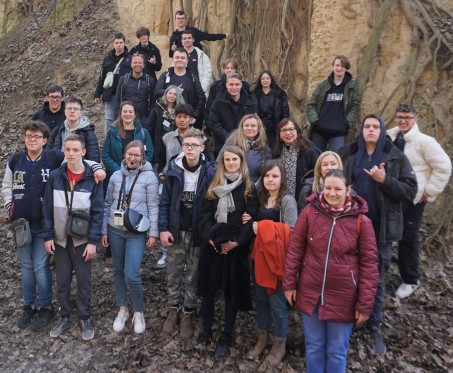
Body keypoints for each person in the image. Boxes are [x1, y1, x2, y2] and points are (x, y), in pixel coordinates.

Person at [284, 169, 378, 372]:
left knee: (337, 351)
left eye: (338, 188)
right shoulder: (309, 212)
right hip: (310, 291)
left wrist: (365, 304)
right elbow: (295, 249)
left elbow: (370, 265)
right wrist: (289, 283)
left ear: (348, 190)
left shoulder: (362, 222)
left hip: (344, 296)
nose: (332, 193)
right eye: (328, 188)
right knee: (314, 347)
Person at [341, 114, 417, 355]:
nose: (371, 130)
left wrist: (385, 180)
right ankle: (349, 321)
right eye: (367, 126)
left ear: (383, 130)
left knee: (376, 278)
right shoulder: (349, 153)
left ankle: (374, 326)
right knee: (348, 274)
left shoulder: (395, 156)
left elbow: (409, 191)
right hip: (350, 226)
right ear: (361, 130)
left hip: (380, 229)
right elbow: (333, 181)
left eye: (376, 127)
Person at [196, 145, 258, 358]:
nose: (231, 163)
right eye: (227, 160)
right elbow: (203, 217)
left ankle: (227, 333)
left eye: (235, 160)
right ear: (222, 163)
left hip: (235, 249)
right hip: (213, 247)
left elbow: (251, 220)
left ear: (241, 162)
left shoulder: (249, 188)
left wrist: (238, 242)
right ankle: (206, 329)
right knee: (209, 292)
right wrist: (210, 238)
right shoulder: (214, 186)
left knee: (231, 293)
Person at [387, 103, 452, 299]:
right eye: (400, 117)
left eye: (407, 117)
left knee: (408, 237)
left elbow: (444, 167)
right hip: (392, 194)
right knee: (388, 232)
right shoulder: (390, 137)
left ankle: (410, 279)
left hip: (413, 198)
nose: (403, 121)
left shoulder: (425, 142)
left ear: (415, 118)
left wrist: (427, 192)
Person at [43, 134, 104, 341]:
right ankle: (64, 314)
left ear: (84, 152)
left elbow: (98, 212)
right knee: (62, 280)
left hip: (82, 239)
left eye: (75, 150)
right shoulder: (55, 176)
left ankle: (85, 316)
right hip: (60, 239)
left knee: (84, 281)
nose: (71, 154)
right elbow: (47, 209)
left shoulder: (92, 178)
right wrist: (49, 236)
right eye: (68, 149)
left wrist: (93, 242)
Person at [159, 128, 215, 339]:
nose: (189, 149)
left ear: (202, 147)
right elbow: (164, 202)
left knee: (193, 275)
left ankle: (188, 312)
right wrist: (163, 229)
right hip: (176, 230)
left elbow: (212, 205)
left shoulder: (209, 173)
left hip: (197, 234)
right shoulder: (174, 170)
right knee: (173, 272)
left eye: (194, 145)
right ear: (182, 146)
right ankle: (173, 308)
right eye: (186, 145)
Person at [243, 160, 298, 369]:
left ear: (282, 178)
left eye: (275, 176)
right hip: (259, 258)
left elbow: (292, 231)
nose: (270, 180)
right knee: (261, 300)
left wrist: (262, 227)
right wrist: (249, 220)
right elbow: (252, 225)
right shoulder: (260, 198)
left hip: (278, 261)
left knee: (277, 304)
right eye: (267, 176)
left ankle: (279, 344)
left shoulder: (287, 201)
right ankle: (262, 337)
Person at [102, 140, 159, 334]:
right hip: (115, 228)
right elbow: (107, 202)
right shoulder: (116, 176)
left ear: (142, 157)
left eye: (137, 155)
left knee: (131, 273)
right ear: (124, 155)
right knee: (117, 270)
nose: (133, 158)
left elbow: (153, 206)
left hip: (136, 231)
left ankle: (139, 311)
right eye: (130, 154)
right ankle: (123, 309)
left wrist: (153, 232)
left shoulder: (149, 177)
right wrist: (103, 230)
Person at [307, 55, 361, 153]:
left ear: (346, 68)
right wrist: (315, 121)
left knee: (338, 159)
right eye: (337, 65)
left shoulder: (352, 86)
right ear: (333, 66)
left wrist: (347, 123)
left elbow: (354, 107)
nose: (339, 68)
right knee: (316, 160)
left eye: (342, 66)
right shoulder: (323, 85)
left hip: (338, 131)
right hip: (319, 130)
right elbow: (311, 105)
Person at [103, 101, 154, 188]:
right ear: (121, 114)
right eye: (125, 111)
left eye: (130, 112)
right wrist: (118, 170)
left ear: (135, 115)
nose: (128, 114)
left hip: (138, 177)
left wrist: (138, 168)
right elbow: (105, 154)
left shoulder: (143, 133)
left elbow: (149, 153)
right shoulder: (112, 132)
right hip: (116, 176)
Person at [207, 72, 258, 157]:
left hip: (246, 143)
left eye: (237, 84)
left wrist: (243, 138)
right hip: (223, 144)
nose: (234, 87)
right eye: (231, 84)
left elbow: (255, 122)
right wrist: (229, 138)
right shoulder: (218, 101)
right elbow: (213, 123)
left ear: (241, 85)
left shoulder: (251, 102)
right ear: (226, 85)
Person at [154, 48, 206, 129]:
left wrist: (195, 115)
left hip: (187, 119)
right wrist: (172, 92)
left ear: (187, 61)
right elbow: (156, 93)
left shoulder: (192, 77)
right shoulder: (165, 76)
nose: (180, 60)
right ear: (173, 59)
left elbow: (201, 97)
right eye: (177, 57)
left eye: (183, 58)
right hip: (168, 119)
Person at [216, 114, 272, 183]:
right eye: (246, 125)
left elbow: (267, 173)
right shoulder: (231, 143)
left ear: (259, 128)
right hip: (231, 185)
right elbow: (218, 165)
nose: (249, 128)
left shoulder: (265, 149)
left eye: (253, 126)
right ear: (242, 127)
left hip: (254, 188)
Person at [273, 118, 320, 200]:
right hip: (282, 199)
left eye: (291, 129)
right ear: (279, 135)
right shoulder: (277, 153)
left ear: (297, 132)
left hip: (305, 197)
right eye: (284, 130)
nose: (288, 133)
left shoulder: (310, 152)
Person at [94, 32, 132, 131]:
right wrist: (97, 93)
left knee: (123, 120)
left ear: (124, 43)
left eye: (121, 42)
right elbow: (102, 77)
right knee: (109, 120)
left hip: (125, 95)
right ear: (113, 44)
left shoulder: (130, 58)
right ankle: (109, 143)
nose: (119, 45)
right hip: (109, 95)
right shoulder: (107, 59)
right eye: (117, 42)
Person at [48, 97, 100, 162]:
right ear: (65, 112)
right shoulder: (57, 130)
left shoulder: (88, 133)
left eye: (75, 109)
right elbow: (48, 154)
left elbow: (94, 159)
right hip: (58, 168)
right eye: (69, 108)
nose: (72, 111)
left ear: (81, 112)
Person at [146, 85, 185, 163]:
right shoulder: (157, 108)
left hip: (175, 143)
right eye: (170, 93)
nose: (172, 96)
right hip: (159, 144)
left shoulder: (181, 110)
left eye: (175, 94)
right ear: (166, 94)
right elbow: (149, 128)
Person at [252, 70, 290, 147]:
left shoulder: (280, 94)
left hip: (275, 127)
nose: (265, 80)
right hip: (260, 127)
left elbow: (285, 112)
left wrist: (284, 127)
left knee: (274, 150)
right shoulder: (255, 94)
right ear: (260, 80)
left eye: (267, 78)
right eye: (263, 79)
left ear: (271, 80)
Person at [115, 54, 156, 121]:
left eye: (140, 63)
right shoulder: (123, 79)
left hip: (143, 119)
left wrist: (150, 118)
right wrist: (117, 116)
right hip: (126, 117)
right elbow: (117, 99)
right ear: (131, 64)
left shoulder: (150, 81)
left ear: (143, 65)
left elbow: (152, 102)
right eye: (135, 62)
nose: (137, 65)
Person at [181, 30, 212, 97]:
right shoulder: (178, 56)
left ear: (193, 40)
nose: (187, 40)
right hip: (183, 91)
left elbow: (207, 71)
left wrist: (202, 89)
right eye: (184, 38)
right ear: (182, 41)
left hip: (199, 90)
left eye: (189, 38)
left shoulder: (201, 55)